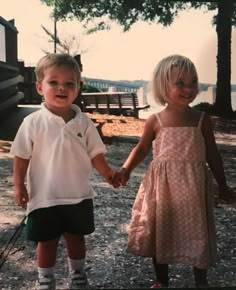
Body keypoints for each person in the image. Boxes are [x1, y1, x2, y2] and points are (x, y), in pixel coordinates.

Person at [114, 54, 233, 288]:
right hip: (163, 188)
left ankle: (201, 280)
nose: (188, 88)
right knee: (161, 231)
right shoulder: (156, 120)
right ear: (163, 86)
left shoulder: (202, 119)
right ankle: (161, 281)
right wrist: (126, 169)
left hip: (194, 187)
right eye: (180, 83)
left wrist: (223, 184)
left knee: (198, 233)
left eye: (192, 82)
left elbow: (213, 155)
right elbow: (141, 149)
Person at [10, 53, 116, 290]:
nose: (62, 88)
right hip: (44, 196)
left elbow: (95, 154)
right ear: (39, 87)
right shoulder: (33, 122)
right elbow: (21, 156)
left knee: (76, 238)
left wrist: (107, 173)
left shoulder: (84, 122)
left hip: (78, 194)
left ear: (78, 88)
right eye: (53, 82)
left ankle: (77, 274)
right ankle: (45, 278)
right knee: (46, 242)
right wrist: (19, 186)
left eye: (70, 83)